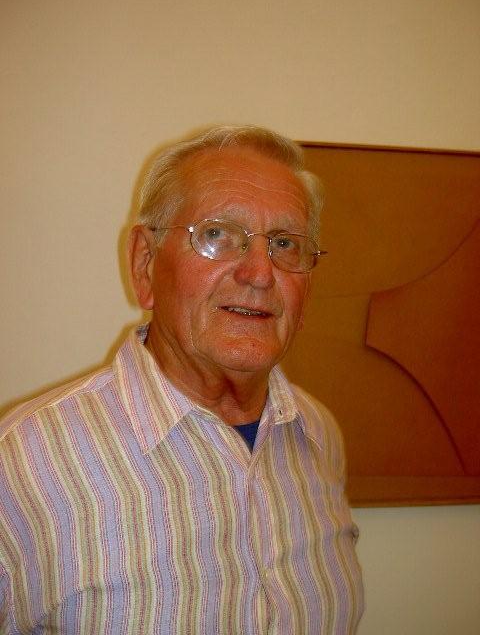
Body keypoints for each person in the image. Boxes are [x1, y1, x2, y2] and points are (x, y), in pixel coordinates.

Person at [0, 125, 363, 634]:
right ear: (145, 264)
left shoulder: (318, 434)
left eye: (285, 243)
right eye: (217, 235)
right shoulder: (21, 467)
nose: (260, 273)